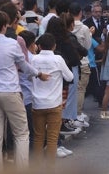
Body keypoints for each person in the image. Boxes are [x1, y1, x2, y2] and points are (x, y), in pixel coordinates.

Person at [0, 10, 49, 172]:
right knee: (21, 133)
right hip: (10, 90)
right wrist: (38, 74)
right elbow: (23, 66)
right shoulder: (12, 44)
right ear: (4, 26)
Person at [30, 33, 73, 168]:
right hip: (54, 103)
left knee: (38, 137)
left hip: (37, 103)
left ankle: (36, 167)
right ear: (54, 46)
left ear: (39, 46)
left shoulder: (33, 59)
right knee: (53, 138)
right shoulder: (58, 59)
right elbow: (70, 77)